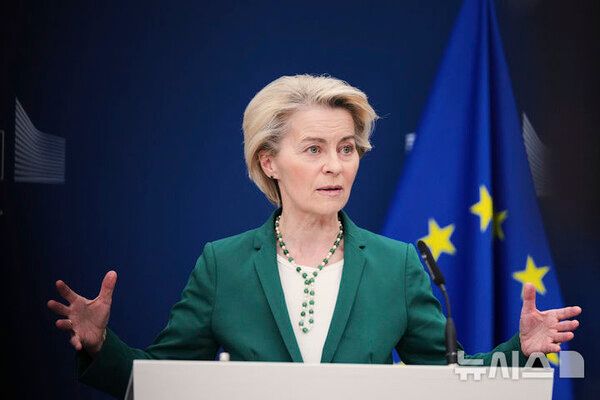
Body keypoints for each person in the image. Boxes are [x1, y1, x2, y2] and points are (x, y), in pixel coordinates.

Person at [48, 74, 582, 398]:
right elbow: (161, 380)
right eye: (313, 149)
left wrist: (522, 351)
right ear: (269, 161)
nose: (335, 166)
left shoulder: (396, 265)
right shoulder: (223, 265)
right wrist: (101, 346)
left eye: (347, 149)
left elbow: (450, 378)